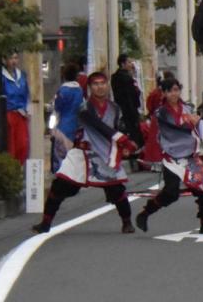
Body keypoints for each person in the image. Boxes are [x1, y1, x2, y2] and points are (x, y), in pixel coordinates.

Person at [32, 72, 137, 234]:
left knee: (116, 190)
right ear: (89, 87)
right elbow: (98, 125)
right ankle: (46, 222)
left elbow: (118, 127)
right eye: (95, 84)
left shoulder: (115, 108)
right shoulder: (84, 107)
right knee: (59, 185)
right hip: (82, 152)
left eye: (102, 83)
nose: (99, 87)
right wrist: (122, 139)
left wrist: (126, 142)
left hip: (104, 154)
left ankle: (127, 222)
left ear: (107, 85)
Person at [134, 78, 203, 234]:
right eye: (170, 90)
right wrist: (190, 121)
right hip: (172, 156)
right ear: (164, 93)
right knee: (171, 193)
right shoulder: (161, 112)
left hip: (191, 156)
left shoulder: (187, 108)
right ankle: (145, 213)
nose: (174, 93)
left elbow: (195, 124)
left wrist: (196, 123)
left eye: (176, 90)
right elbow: (177, 123)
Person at [50, 62, 84, 172]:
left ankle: (61, 176)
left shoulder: (63, 91)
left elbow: (57, 108)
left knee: (60, 156)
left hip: (62, 125)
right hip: (76, 125)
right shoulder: (79, 90)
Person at [2, 52, 30, 164]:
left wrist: (27, 109)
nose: (13, 61)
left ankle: (19, 169)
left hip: (21, 114)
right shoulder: (1, 76)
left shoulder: (21, 75)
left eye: (15, 58)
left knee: (22, 145)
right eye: (10, 58)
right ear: (5, 60)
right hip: (8, 114)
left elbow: (27, 93)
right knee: (11, 146)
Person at [111, 53, 143, 147]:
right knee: (134, 135)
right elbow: (131, 96)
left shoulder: (115, 77)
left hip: (121, 109)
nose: (131, 64)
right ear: (122, 64)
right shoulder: (126, 78)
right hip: (129, 111)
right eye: (128, 62)